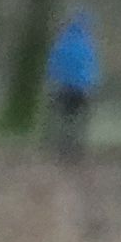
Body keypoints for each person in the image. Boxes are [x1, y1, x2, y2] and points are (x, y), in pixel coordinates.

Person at [45, 10, 102, 158]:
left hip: (63, 87)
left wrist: (53, 80)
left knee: (65, 118)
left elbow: (53, 64)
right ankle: (76, 148)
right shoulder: (88, 45)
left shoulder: (62, 43)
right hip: (82, 89)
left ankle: (62, 147)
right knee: (80, 119)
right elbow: (92, 67)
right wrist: (92, 84)